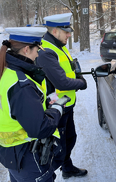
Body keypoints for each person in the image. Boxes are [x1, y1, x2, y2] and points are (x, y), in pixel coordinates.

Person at [0, 27, 65, 182]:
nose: (38, 53)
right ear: (26, 49)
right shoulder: (21, 84)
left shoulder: (5, 72)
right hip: (29, 157)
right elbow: (41, 128)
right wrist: (57, 109)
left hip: (13, 156)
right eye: (37, 49)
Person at [36, 13, 88, 179]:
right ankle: (46, 176)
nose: (69, 34)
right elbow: (62, 83)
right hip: (56, 107)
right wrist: (81, 83)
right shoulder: (46, 51)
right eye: (66, 31)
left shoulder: (58, 45)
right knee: (59, 147)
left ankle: (67, 168)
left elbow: (68, 68)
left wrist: (76, 73)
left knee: (69, 139)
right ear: (54, 31)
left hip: (66, 105)